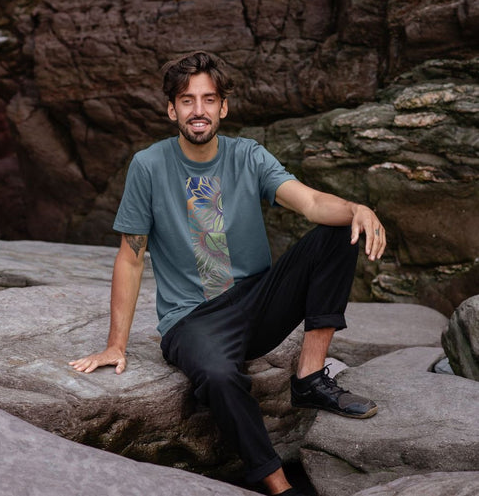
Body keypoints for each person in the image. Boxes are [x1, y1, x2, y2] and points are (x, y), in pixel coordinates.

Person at [69, 51, 386, 496]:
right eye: (186, 100)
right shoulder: (149, 166)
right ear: (171, 109)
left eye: (208, 99)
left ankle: (310, 378)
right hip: (192, 321)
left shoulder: (249, 156)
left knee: (338, 231)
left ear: (223, 107)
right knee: (219, 377)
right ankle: (280, 486)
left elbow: (311, 203)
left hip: (256, 302)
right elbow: (131, 256)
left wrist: (357, 208)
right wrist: (114, 345)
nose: (198, 110)